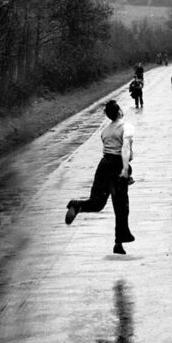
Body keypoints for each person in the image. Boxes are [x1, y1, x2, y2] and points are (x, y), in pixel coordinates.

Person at [66, 101, 135, 255]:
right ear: (119, 111)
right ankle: (119, 241)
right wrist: (125, 169)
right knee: (121, 206)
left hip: (103, 166)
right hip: (117, 166)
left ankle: (77, 205)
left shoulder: (105, 131)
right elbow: (125, 149)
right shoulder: (126, 127)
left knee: (97, 203)